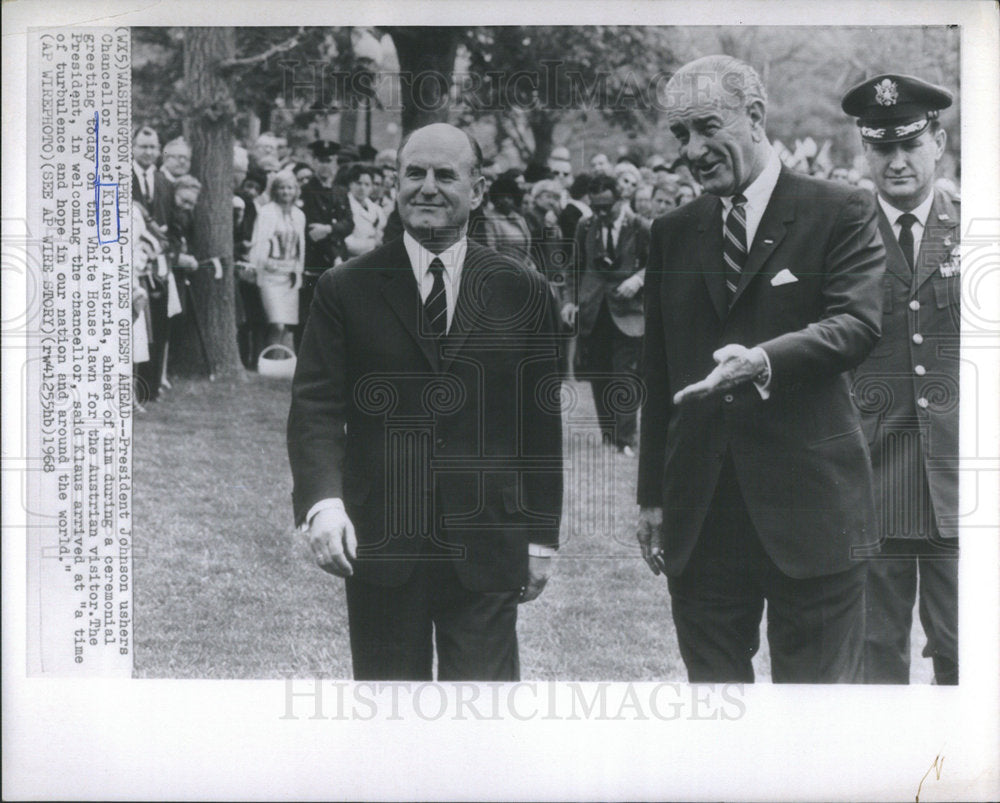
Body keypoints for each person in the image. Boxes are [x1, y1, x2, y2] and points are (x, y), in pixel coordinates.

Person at [636, 55, 886, 684]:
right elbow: (659, 374)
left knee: (816, 727)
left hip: (814, 513)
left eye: (706, 127)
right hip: (703, 519)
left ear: (754, 116)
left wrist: (764, 360)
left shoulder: (842, 210)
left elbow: (855, 324)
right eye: (680, 135)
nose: (693, 149)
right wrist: (651, 500)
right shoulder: (671, 232)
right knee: (717, 718)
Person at [287, 123, 563, 681]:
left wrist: (541, 536)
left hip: (486, 543)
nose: (428, 188)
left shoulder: (523, 289)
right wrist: (324, 504)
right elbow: (316, 406)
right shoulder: (346, 288)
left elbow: (539, 423)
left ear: (478, 191)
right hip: (383, 543)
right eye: (414, 173)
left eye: (445, 174)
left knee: (483, 724)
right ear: (396, 184)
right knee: (391, 727)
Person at [842, 73, 959, 685]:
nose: (897, 161)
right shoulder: (841, 236)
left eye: (910, 144)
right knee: (873, 652)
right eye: (881, 148)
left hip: (961, 481)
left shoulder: (977, 228)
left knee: (966, 649)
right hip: (872, 477)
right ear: (865, 153)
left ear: (938, 142)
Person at [562, 173, 648, 456]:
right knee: (599, 373)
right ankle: (609, 436)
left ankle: (626, 438)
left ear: (620, 199)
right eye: (595, 206)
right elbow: (574, 267)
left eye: (606, 207)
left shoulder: (640, 227)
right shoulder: (585, 226)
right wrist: (570, 302)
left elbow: (658, 265)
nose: (600, 213)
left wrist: (637, 280)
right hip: (593, 310)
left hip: (628, 313)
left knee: (625, 375)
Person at [298, 140, 354, 348]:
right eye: (321, 160)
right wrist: (333, 252)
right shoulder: (306, 191)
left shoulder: (340, 192)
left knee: (336, 312)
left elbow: (349, 224)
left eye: (329, 161)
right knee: (310, 311)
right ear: (314, 162)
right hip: (315, 259)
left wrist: (330, 229)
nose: (325, 165)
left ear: (336, 164)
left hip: (339, 257)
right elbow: (312, 231)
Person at [249, 171, 305, 351]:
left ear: (295, 190)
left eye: (289, 188)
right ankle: (268, 361)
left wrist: (298, 271)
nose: (286, 192)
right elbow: (260, 241)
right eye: (281, 188)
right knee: (276, 322)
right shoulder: (267, 212)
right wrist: (259, 265)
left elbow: (300, 246)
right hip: (270, 275)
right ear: (275, 190)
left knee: (286, 326)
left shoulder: (298, 214)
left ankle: (280, 363)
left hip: (289, 276)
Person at [479, 172, 534, 268]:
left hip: (523, 270)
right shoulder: (490, 219)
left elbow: (527, 247)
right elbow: (491, 250)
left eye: (509, 197)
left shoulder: (519, 219)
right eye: (501, 197)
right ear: (495, 198)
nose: (505, 200)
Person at [343, 162, 386, 258]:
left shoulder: (376, 210)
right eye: (358, 183)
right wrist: (372, 243)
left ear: (371, 188)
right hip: (351, 259)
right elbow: (347, 242)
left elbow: (381, 233)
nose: (362, 188)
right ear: (350, 184)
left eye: (367, 184)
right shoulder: (344, 206)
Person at [131, 126, 171, 225]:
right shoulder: (120, 178)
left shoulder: (165, 182)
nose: (148, 152)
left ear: (159, 150)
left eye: (152, 147)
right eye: (143, 147)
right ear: (132, 148)